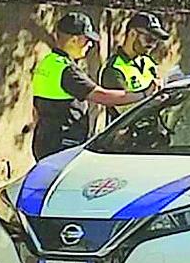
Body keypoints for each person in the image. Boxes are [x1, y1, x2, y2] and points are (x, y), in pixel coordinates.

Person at [30, 11, 159, 160]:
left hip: (43, 139)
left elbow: (36, 110)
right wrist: (143, 94)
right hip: (63, 142)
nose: (90, 45)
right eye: (87, 40)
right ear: (74, 40)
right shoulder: (67, 70)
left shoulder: (48, 63)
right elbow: (101, 96)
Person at [98, 11, 170, 121]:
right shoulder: (114, 69)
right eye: (149, 39)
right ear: (132, 34)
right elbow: (124, 111)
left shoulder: (148, 62)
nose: (152, 46)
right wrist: (149, 96)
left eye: (156, 41)